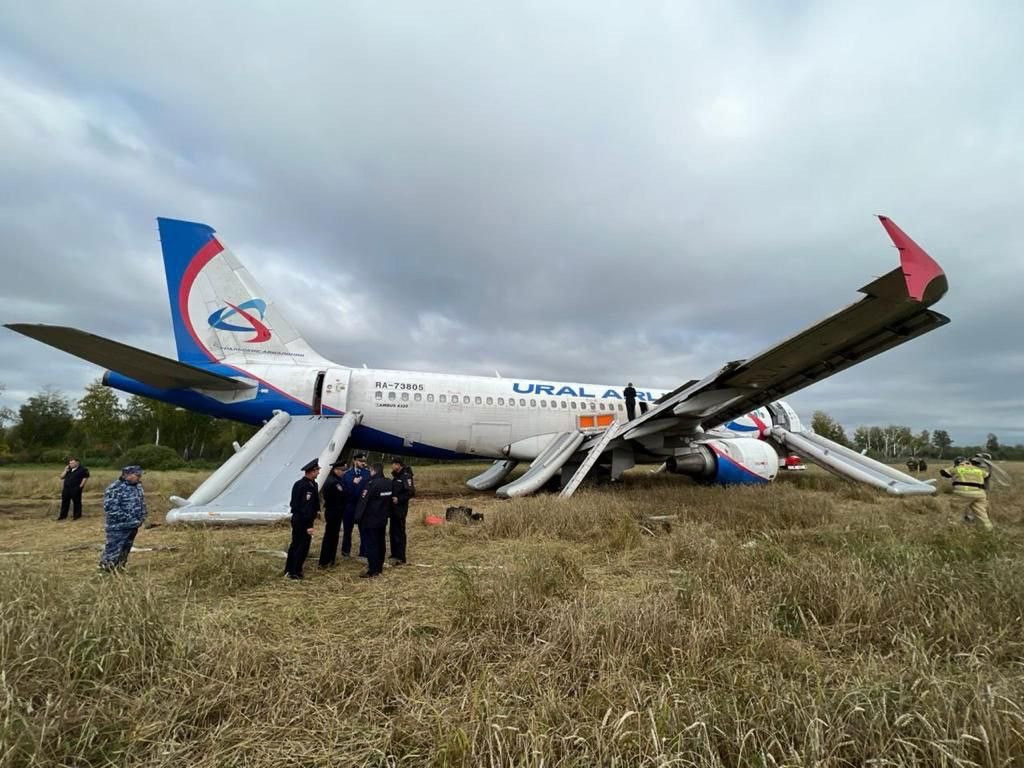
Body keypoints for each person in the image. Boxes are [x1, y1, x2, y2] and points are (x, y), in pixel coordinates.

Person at [99, 466, 147, 571]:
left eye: (140, 475)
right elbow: (111, 509)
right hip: (118, 527)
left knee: (125, 549)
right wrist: (130, 519)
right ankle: (105, 571)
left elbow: (141, 503)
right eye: (137, 475)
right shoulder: (115, 488)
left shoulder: (137, 486)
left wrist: (142, 517)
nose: (139, 477)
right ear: (126, 475)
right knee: (113, 550)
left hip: (133, 526)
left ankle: (120, 569)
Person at [354, 463, 394, 578]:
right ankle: (379, 566)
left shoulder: (371, 484)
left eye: (370, 470)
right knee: (381, 543)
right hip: (382, 519)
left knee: (371, 545)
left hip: (370, 520)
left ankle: (373, 570)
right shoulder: (388, 482)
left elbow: (363, 502)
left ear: (374, 471)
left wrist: (357, 518)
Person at [285, 459, 321, 579]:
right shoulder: (304, 486)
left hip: (304, 519)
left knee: (300, 544)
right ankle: (294, 570)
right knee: (300, 545)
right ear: (311, 471)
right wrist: (308, 525)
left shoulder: (312, 484)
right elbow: (305, 507)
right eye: (317, 471)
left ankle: (292, 568)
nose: (318, 473)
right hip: (302, 520)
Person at [940, 455, 993, 530]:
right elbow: (987, 476)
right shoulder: (977, 469)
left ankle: (953, 528)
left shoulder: (957, 468)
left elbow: (943, 472)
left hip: (963, 492)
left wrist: (953, 468)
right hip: (980, 494)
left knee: (956, 510)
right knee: (981, 512)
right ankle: (988, 528)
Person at [341, 452, 371, 559]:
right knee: (347, 531)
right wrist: (354, 483)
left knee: (363, 531)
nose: (363, 463)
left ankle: (363, 553)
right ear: (355, 461)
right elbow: (344, 491)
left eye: (364, 461)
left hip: (362, 507)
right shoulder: (347, 474)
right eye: (360, 461)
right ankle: (345, 551)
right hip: (349, 506)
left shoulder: (367, 474)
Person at [318, 460, 348, 567]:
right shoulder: (334, 482)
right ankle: (325, 561)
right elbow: (342, 494)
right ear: (336, 470)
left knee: (333, 536)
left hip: (335, 511)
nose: (343, 472)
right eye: (341, 470)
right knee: (330, 536)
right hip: (333, 511)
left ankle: (330, 559)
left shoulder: (335, 480)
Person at [388, 456, 415, 565]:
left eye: (394, 464)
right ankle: (394, 554)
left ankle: (401, 556)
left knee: (399, 532)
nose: (392, 466)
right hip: (393, 509)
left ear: (399, 465)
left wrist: (399, 499)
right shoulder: (396, 475)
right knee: (392, 532)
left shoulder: (405, 476)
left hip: (400, 509)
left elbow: (411, 492)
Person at [58, 456, 90, 520]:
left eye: (72, 463)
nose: (70, 464)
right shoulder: (68, 469)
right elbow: (61, 477)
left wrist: (80, 486)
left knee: (77, 502)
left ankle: (77, 516)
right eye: (70, 463)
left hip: (76, 488)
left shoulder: (83, 469)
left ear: (77, 463)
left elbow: (85, 478)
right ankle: (63, 516)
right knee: (64, 502)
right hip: (66, 488)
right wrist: (65, 470)